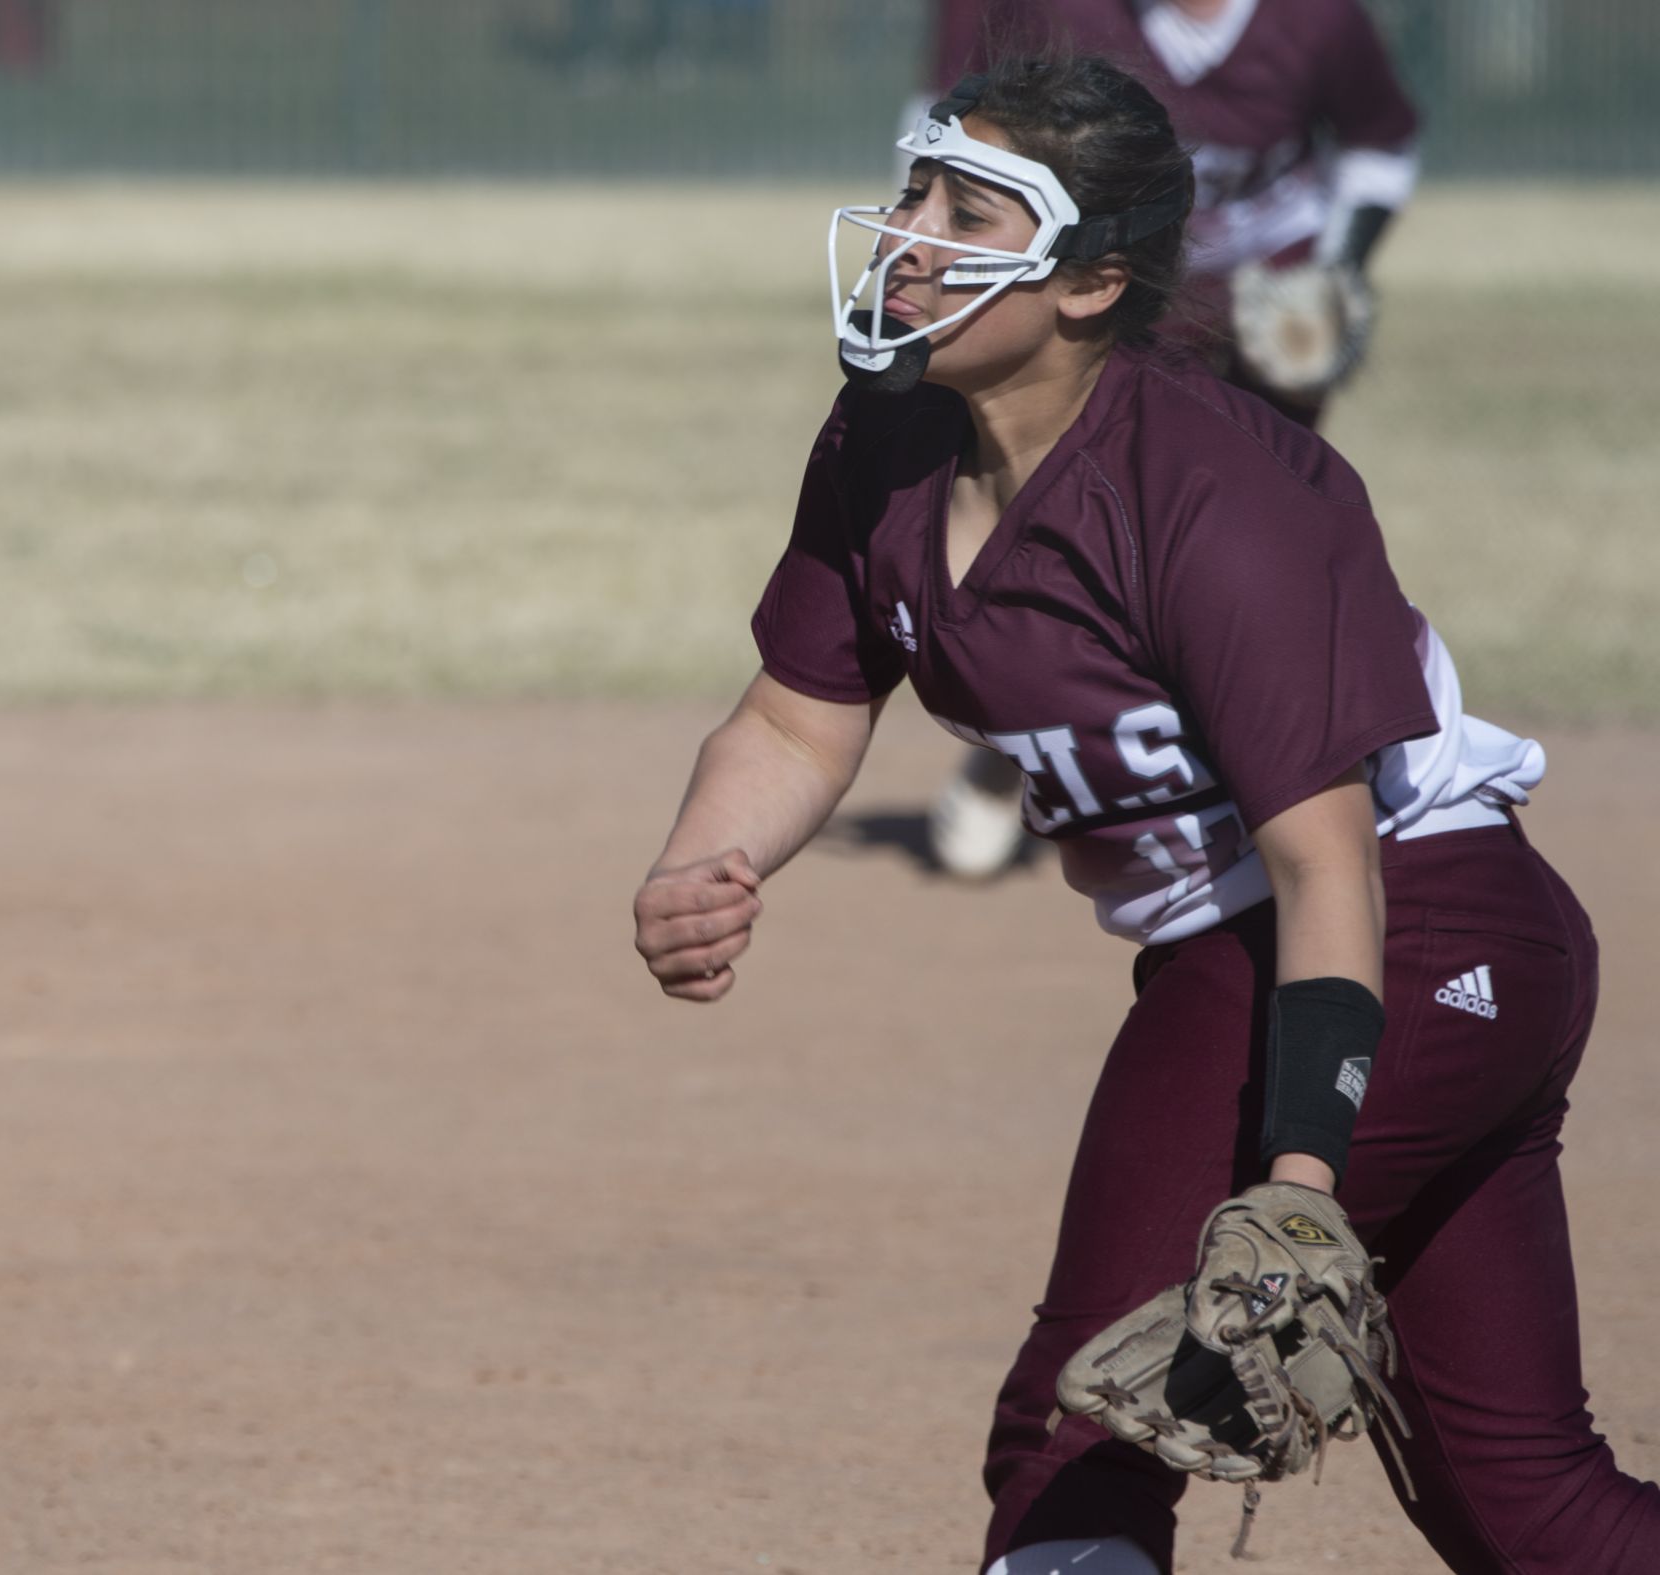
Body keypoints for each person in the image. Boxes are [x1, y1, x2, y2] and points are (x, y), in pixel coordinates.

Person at [630, 53, 1660, 1575]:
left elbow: (1324, 864)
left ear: (1090, 283)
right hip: (1300, 950)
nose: (910, 232)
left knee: (1082, 1414)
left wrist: (1300, 1180)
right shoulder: (886, 444)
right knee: (1532, 1512)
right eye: (916, 188)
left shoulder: (1222, 494)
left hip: (1400, 928)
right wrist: (701, 862)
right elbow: (797, 708)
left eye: (970, 212)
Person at [922, 0, 1421, 879]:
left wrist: (1340, 266)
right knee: (1073, 529)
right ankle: (1019, 750)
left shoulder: (1316, 20)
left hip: (1270, 310)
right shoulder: (1072, 13)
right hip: (1117, 294)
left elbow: (1383, 145)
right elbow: (963, 134)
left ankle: (1264, 785)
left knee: (1249, 555)